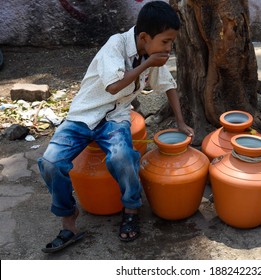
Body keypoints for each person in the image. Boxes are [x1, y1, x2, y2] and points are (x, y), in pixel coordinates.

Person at [38, 1, 194, 253]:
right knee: (51, 163)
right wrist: (146, 65)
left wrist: (180, 120)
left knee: (122, 158)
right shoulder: (116, 45)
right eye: (166, 42)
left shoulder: (153, 55)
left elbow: (169, 85)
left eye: (171, 42)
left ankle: (131, 209)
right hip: (83, 114)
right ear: (144, 37)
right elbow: (113, 87)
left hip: (115, 117)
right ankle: (69, 219)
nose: (169, 48)